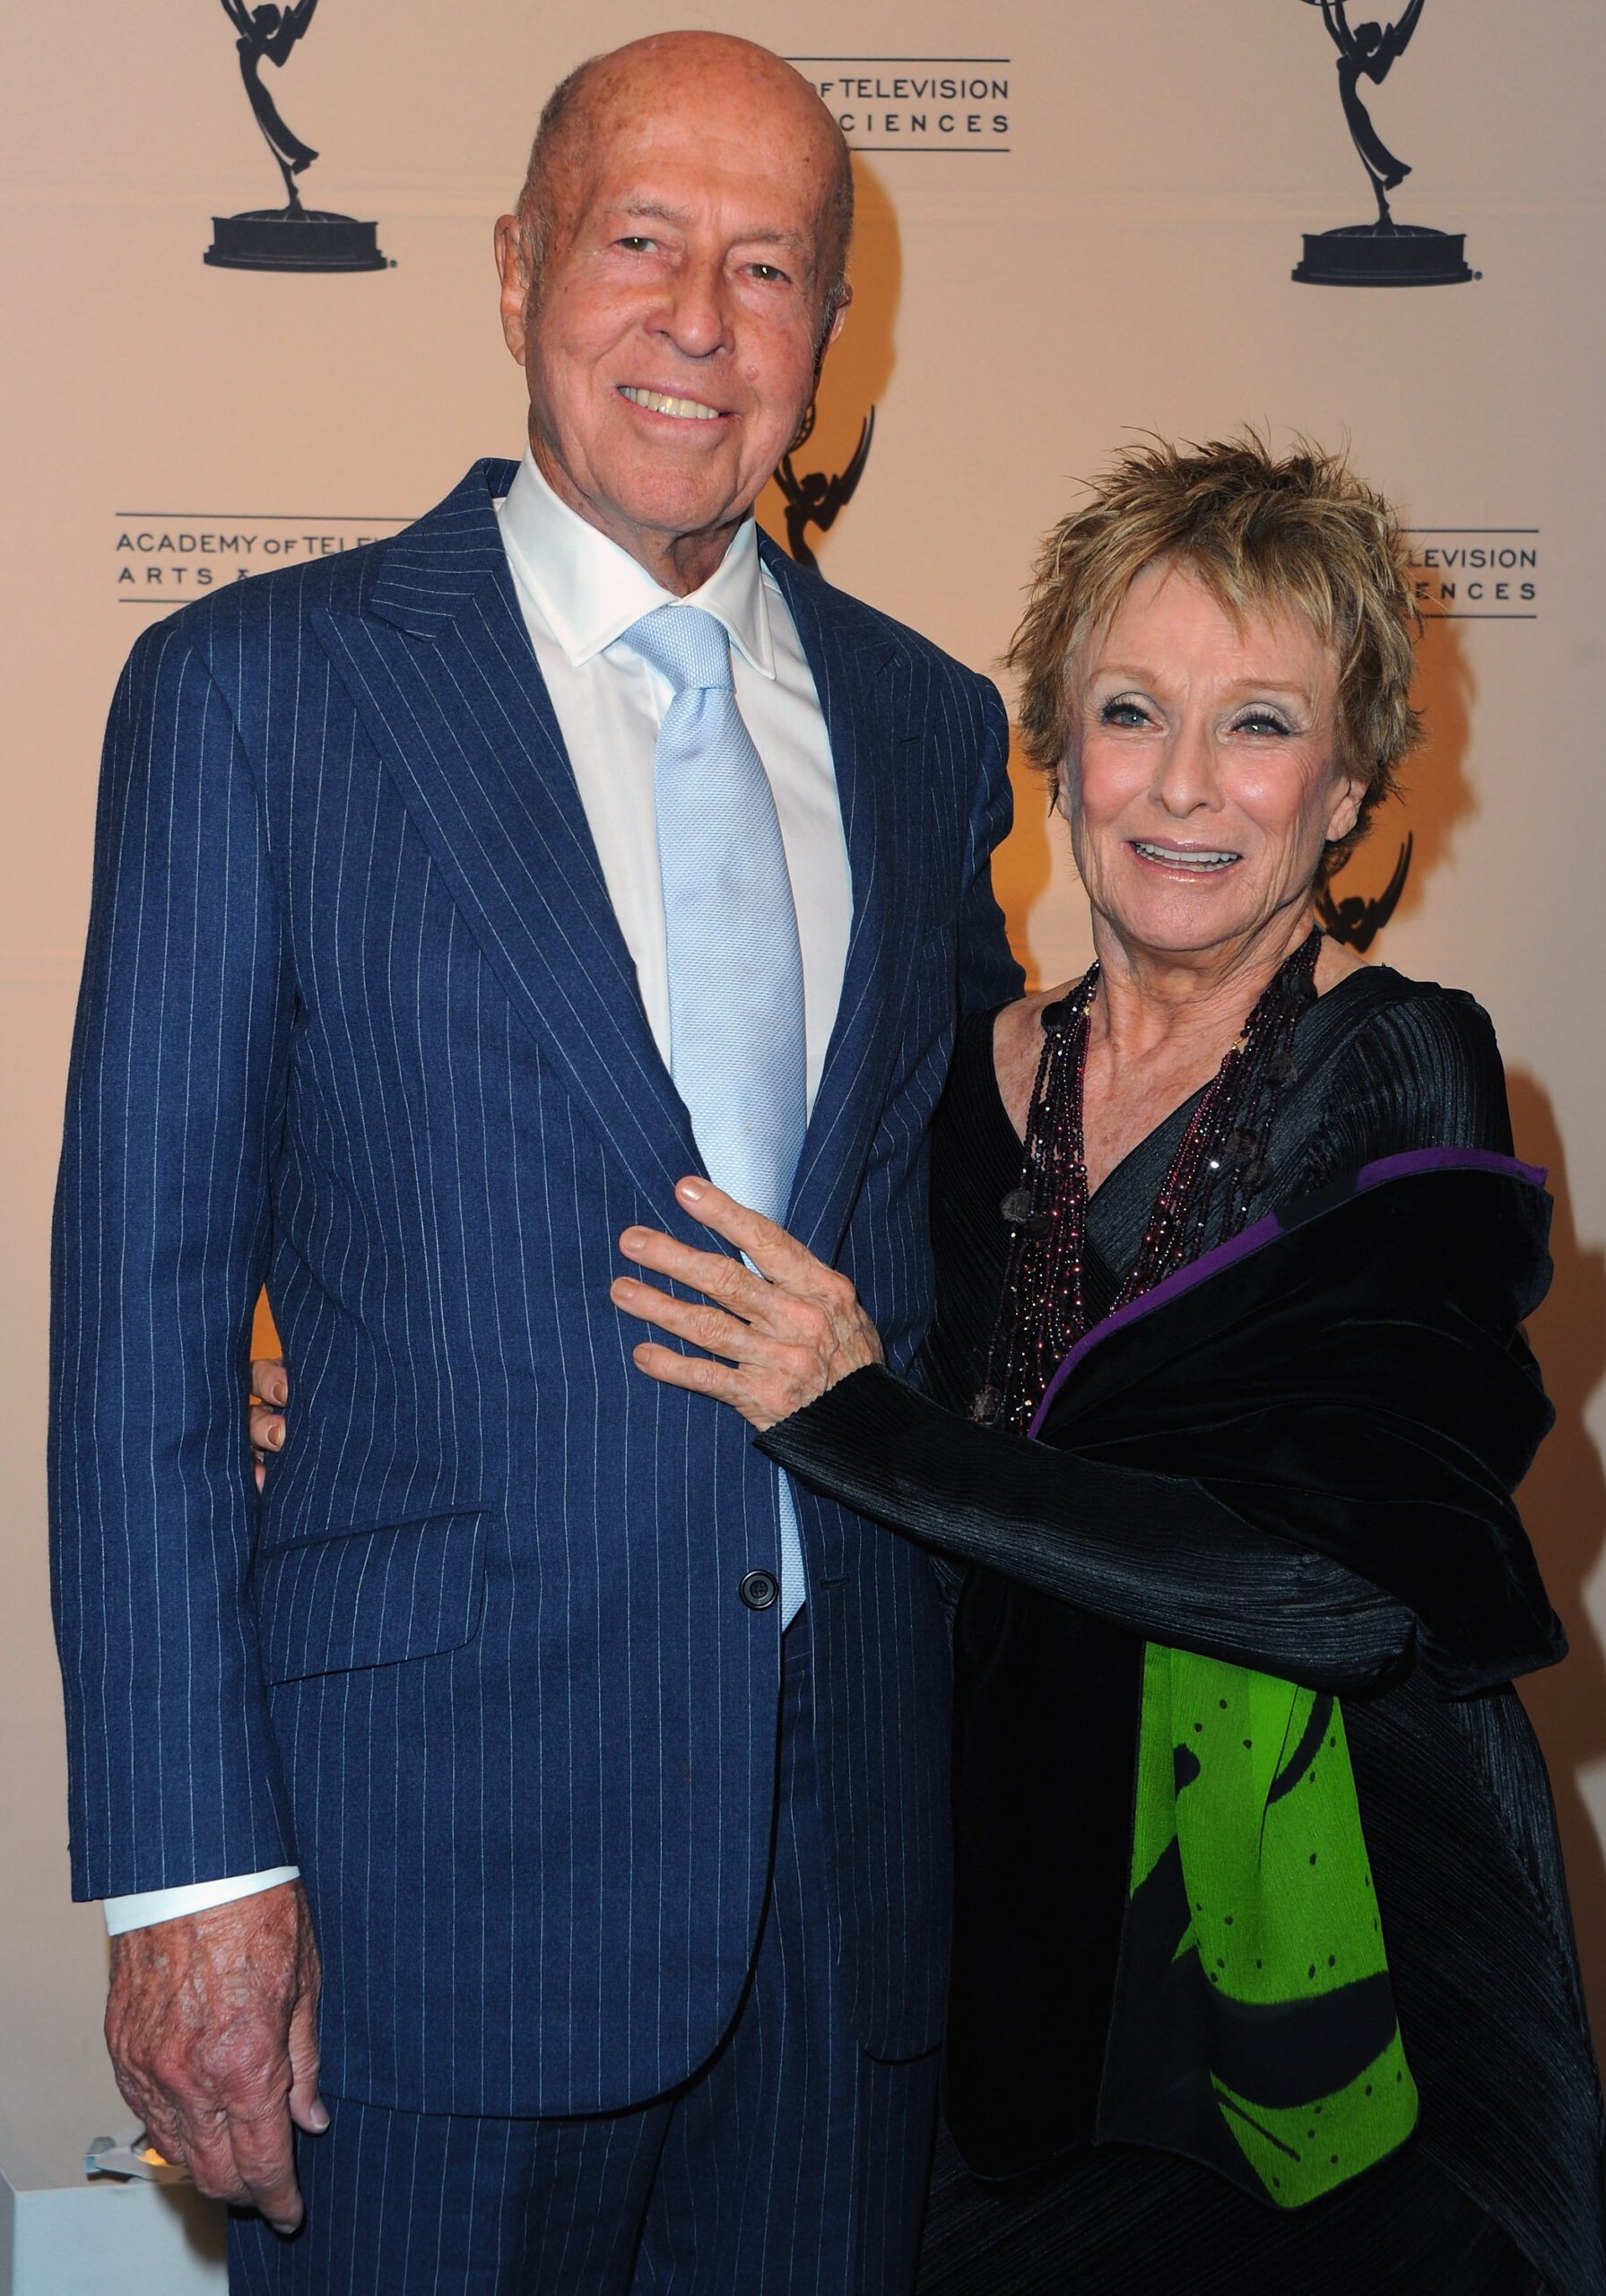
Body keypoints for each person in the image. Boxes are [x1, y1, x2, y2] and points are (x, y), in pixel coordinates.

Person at [49, 31, 1020, 2292]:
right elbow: (143, 1322)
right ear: (511, 274)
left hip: (847, 1893)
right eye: (639, 240)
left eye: (769, 266)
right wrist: (190, 1879)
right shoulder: (257, 693)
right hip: (420, 1900)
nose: (700, 316)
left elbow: (969, 1217)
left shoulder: (924, 720)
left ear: (828, 339)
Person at [605, 436, 1606, 2294]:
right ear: (1053, 754)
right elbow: (716, 1313)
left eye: (1256, 725)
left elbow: (1331, 1589)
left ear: (1347, 787)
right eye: (1130, 710)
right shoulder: (939, 1074)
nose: (1178, 785)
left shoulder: (1393, 1072)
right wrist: (327, 1401)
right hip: (994, 1977)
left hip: (1329, 2016)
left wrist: (866, 1426)